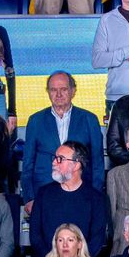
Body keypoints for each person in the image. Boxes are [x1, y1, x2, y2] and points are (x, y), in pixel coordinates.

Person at [22, 72, 105, 206]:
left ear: (73, 91)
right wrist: (29, 198)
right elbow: (28, 163)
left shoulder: (89, 119)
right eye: (54, 90)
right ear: (48, 92)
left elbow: (98, 163)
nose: (58, 94)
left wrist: (95, 195)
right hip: (43, 194)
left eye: (64, 89)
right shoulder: (35, 121)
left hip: (82, 194)